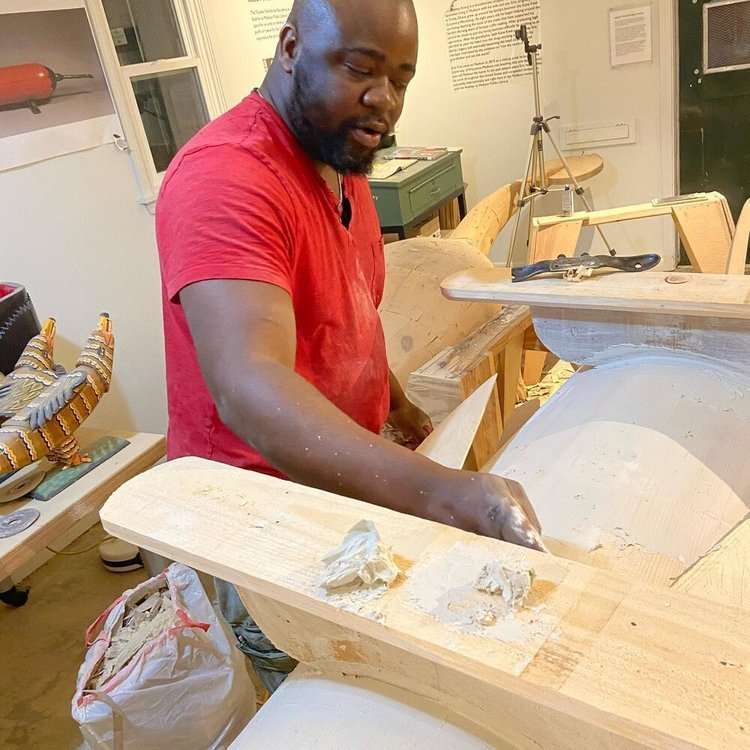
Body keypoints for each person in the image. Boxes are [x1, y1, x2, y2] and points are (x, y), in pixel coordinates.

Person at [156, 0, 544, 693]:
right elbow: (248, 381)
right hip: (260, 512)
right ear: (290, 47)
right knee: (328, 696)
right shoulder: (226, 178)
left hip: (338, 479)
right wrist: (442, 494)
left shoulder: (342, 160)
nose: (384, 100)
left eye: (401, 79)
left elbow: (349, 311)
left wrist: (394, 403)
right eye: (360, 69)